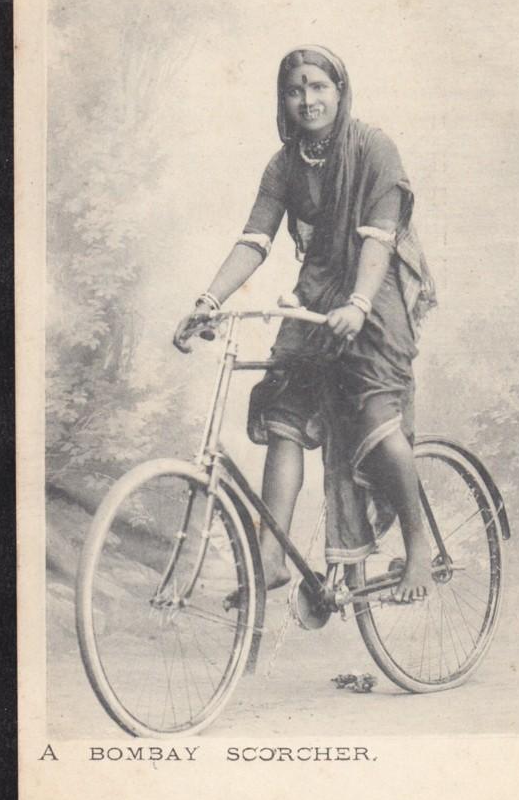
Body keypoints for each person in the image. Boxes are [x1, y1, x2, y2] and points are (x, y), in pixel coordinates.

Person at [174, 45, 437, 602]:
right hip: (317, 294)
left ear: (340, 91)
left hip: (376, 293)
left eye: (318, 86)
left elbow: (380, 240)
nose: (307, 99)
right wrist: (208, 300)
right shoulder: (284, 163)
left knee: (374, 414)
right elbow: (255, 240)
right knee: (285, 415)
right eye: (295, 90)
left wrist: (360, 304)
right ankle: (271, 558)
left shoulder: (374, 148)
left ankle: (419, 547)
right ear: (283, 99)